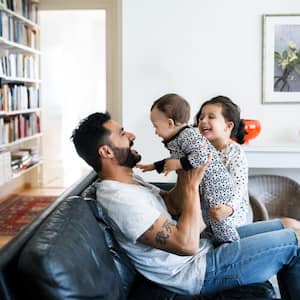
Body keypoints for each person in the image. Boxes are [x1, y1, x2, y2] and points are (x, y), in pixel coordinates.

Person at [71, 112, 300, 298]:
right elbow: (187, 244)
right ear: (106, 151)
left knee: (289, 224)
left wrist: (185, 164)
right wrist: (191, 188)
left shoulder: (131, 182)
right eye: (122, 133)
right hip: (195, 271)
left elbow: (172, 205)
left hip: (206, 249)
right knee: (296, 242)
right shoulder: (119, 199)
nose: (131, 135)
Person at [136, 93, 239, 245]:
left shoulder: (188, 135)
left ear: (170, 123)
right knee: (207, 219)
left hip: (218, 186)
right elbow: (174, 160)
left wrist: (178, 164)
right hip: (205, 187)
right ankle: (216, 242)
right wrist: (153, 166)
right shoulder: (178, 137)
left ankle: (232, 245)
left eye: (156, 126)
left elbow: (202, 156)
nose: (156, 132)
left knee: (219, 221)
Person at [194, 95, 252, 225]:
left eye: (211, 117)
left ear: (228, 126)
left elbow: (239, 186)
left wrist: (229, 208)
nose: (203, 120)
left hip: (231, 217)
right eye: (201, 117)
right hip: (206, 216)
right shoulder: (200, 151)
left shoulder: (235, 152)